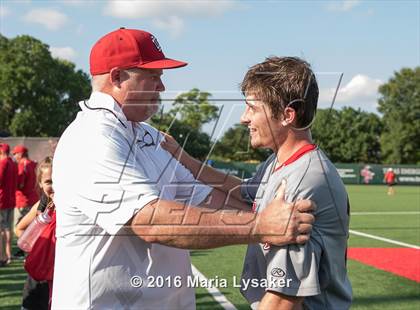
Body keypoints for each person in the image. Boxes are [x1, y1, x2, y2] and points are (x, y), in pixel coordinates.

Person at [51, 28, 315, 309]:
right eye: (153, 76)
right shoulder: (91, 136)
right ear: (117, 77)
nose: (162, 87)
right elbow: (150, 221)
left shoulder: (147, 136)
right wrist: (262, 225)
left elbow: (208, 198)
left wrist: (277, 210)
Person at [163, 57, 352, 309]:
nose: (243, 118)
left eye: (252, 108)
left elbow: (284, 297)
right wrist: (182, 158)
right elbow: (241, 191)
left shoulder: (302, 182)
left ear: (287, 115)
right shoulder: (278, 162)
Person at [15, 157, 54, 310]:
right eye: (49, 181)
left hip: (60, 277)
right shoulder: (41, 206)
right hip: (37, 278)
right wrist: (37, 244)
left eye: (58, 180)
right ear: (40, 183)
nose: (54, 186)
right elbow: (19, 228)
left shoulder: (71, 206)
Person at [12, 145, 39, 225]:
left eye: (15, 154)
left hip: (23, 200)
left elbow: (20, 185)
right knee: (31, 226)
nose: (14, 156)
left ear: (20, 154)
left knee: (18, 227)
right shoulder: (34, 164)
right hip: (34, 199)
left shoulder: (22, 164)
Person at [0, 143, 17, 266]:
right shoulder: (12, 163)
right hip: (11, 200)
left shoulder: (4, 163)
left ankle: (3, 256)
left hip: (2, 200)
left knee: (3, 229)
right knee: (8, 229)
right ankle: (8, 255)